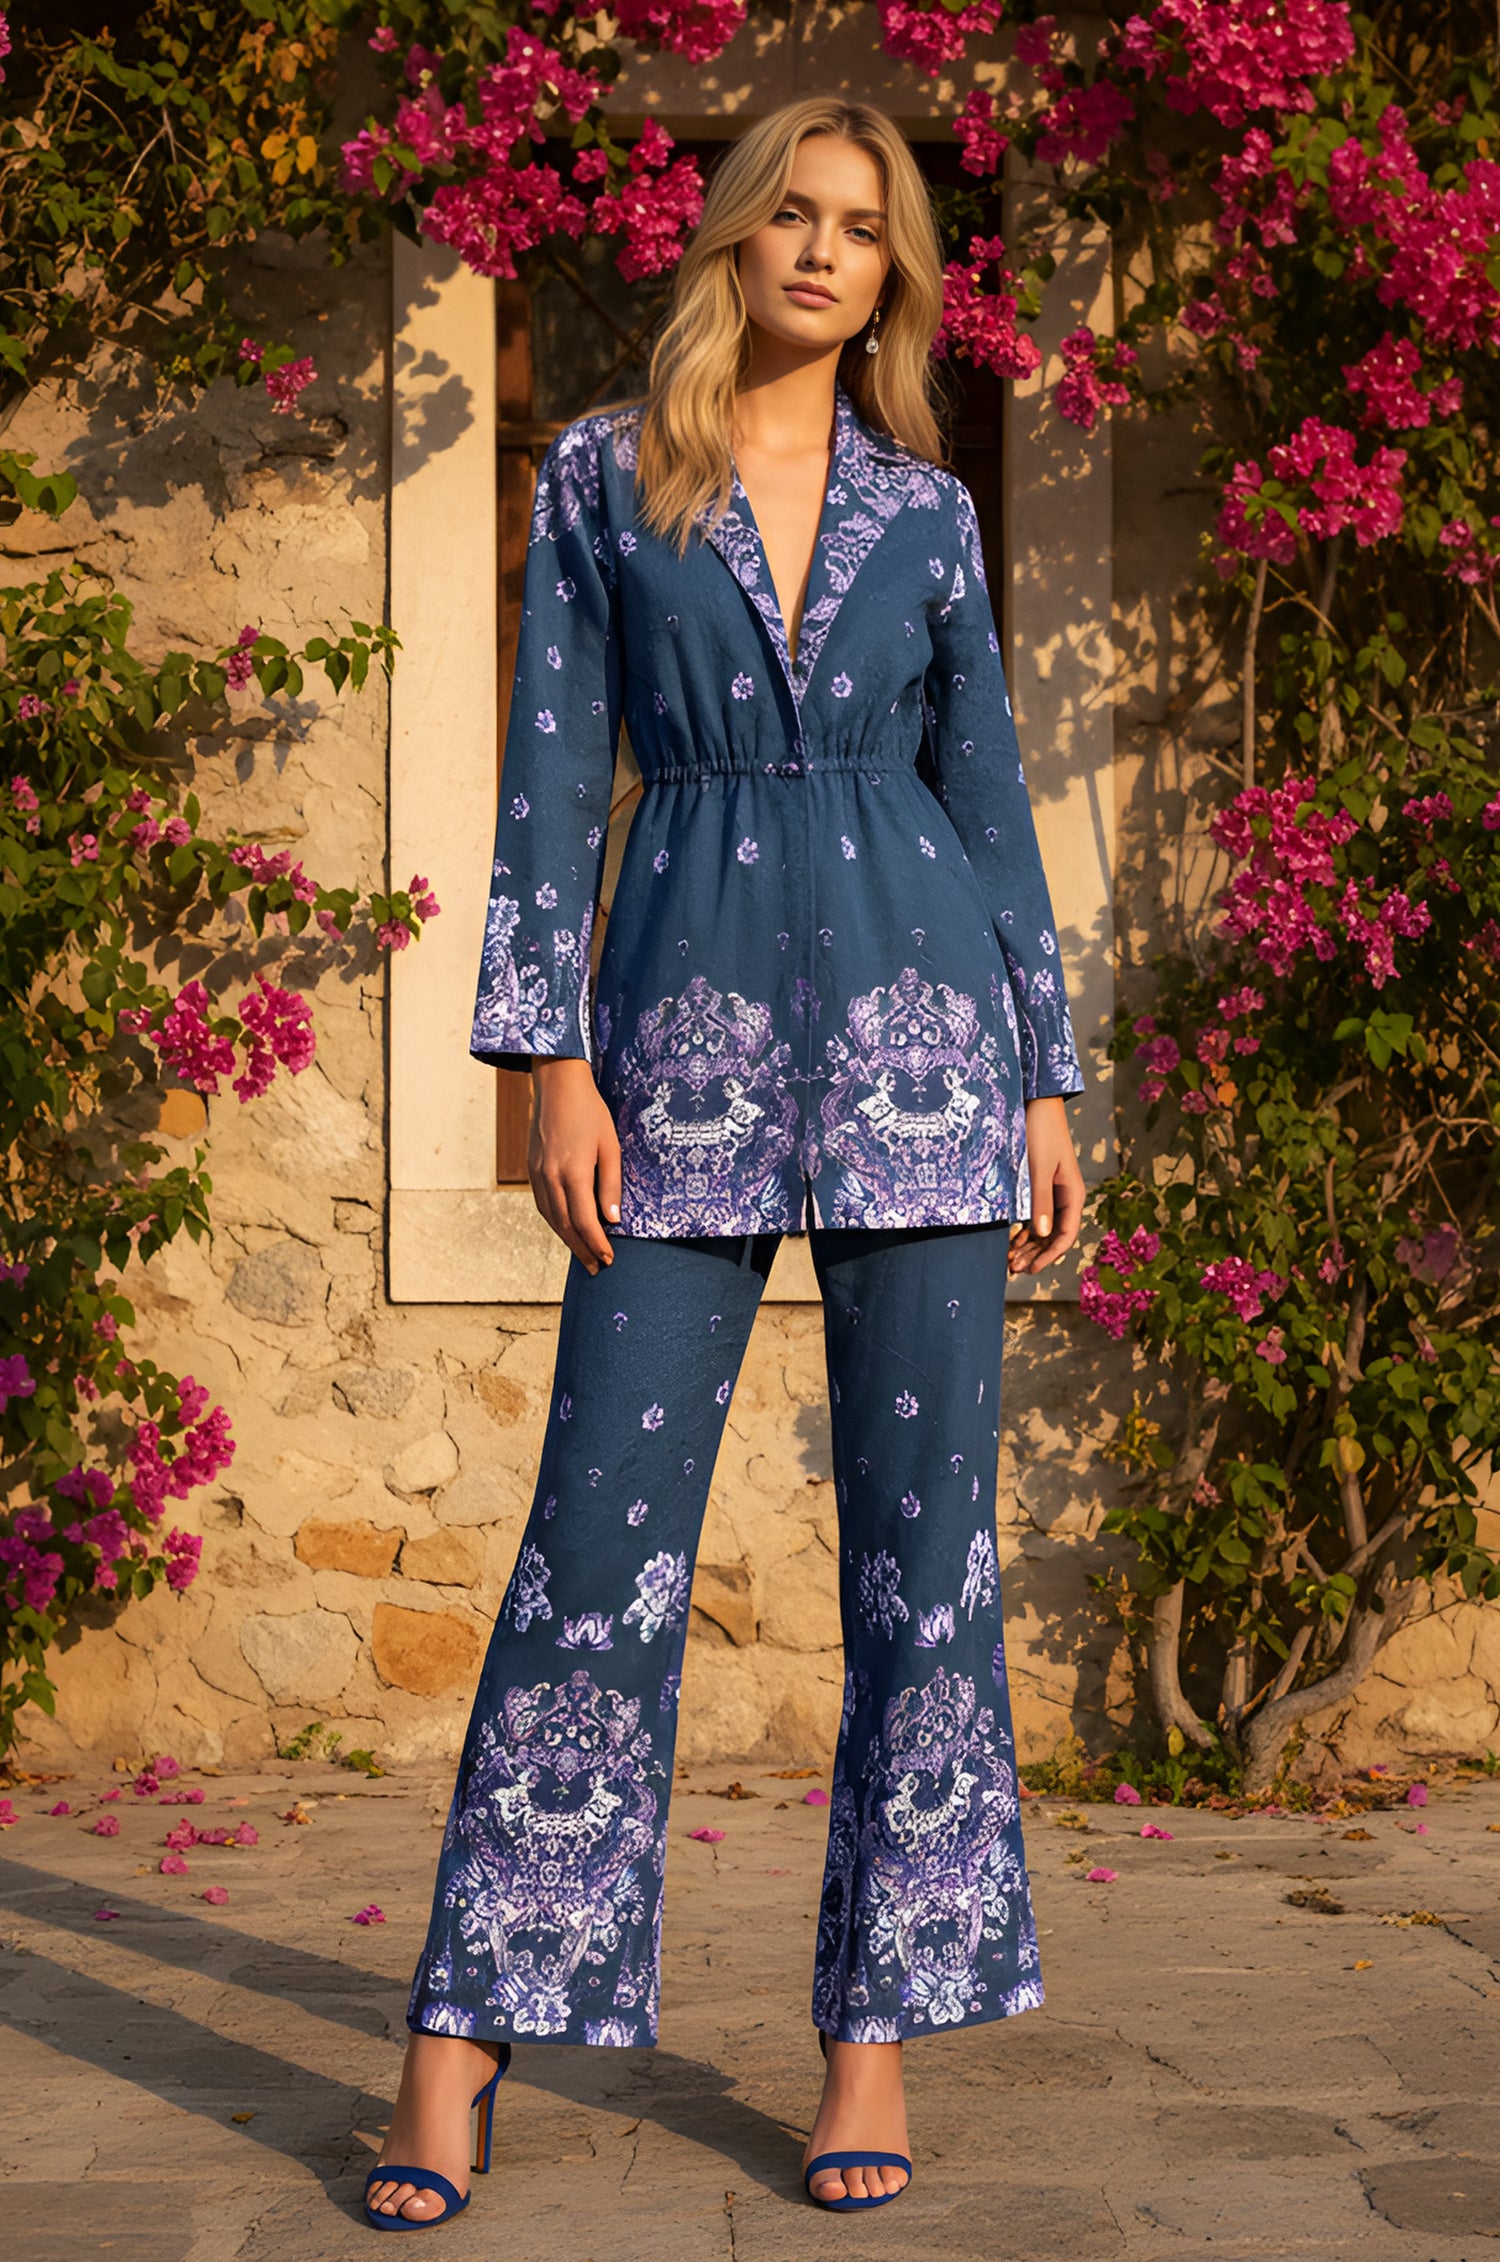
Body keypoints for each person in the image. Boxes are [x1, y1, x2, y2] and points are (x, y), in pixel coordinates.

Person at [365, 92, 1085, 2233]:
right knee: (597, 1543)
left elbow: (992, 792)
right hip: (667, 1054)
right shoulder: (604, 476)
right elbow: (547, 779)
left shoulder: (929, 515)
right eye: (796, 209)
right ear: (738, 232)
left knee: (921, 1567)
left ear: (893, 276)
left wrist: (1043, 1072)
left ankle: (870, 2035)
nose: (822, 249)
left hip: (930, 1050)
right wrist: (542, 1059)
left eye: (864, 228)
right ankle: (461, 2029)